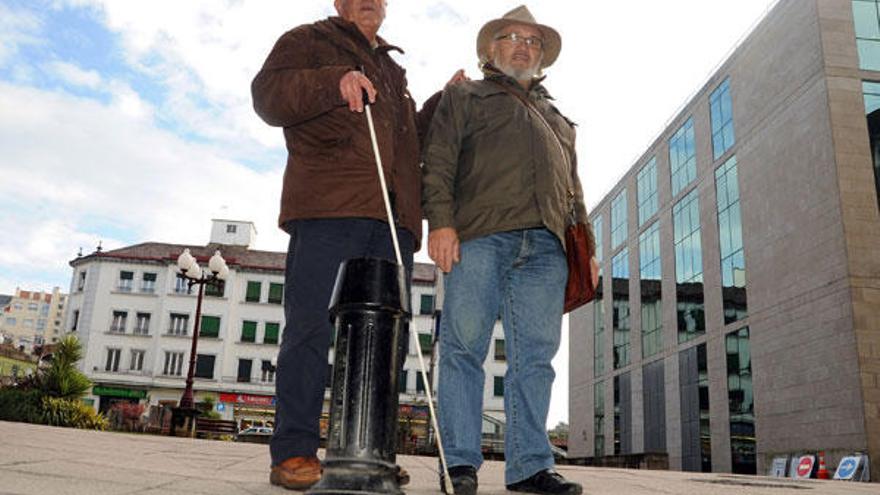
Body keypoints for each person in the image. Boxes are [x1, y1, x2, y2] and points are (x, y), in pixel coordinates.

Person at [251, 0, 464, 490]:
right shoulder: (307, 39)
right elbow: (268, 96)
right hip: (329, 207)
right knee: (308, 328)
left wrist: (439, 104)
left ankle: (367, 451)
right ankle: (295, 452)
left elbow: (409, 141)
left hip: (393, 219)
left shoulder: (392, 69)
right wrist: (334, 81)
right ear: (339, 2)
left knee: (384, 339)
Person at [422, 5, 598, 495]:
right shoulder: (464, 96)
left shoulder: (558, 119)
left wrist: (590, 248)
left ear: (541, 57)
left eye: (533, 41)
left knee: (536, 358)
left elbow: (576, 190)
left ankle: (528, 466)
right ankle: (457, 462)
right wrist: (441, 223)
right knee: (463, 348)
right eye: (512, 37)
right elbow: (437, 162)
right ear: (491, 50)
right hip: (480, 235)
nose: (523, 45)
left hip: (547, 246)